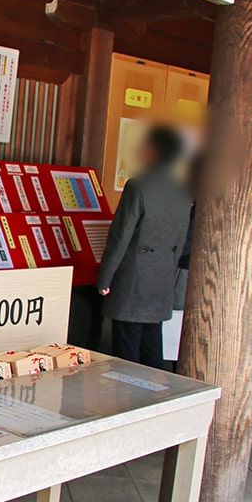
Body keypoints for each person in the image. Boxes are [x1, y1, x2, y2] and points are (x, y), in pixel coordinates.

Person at [97, 125, 192, 368]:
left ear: (153, 150)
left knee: (126, 351)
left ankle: (128, 400)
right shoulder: (182, 190)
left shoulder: (138, 186)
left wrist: (105, 279)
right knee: (152, 347)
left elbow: (121, 237)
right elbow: (180, 241)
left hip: (133, 279)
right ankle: (155, 399)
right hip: (161, 279)